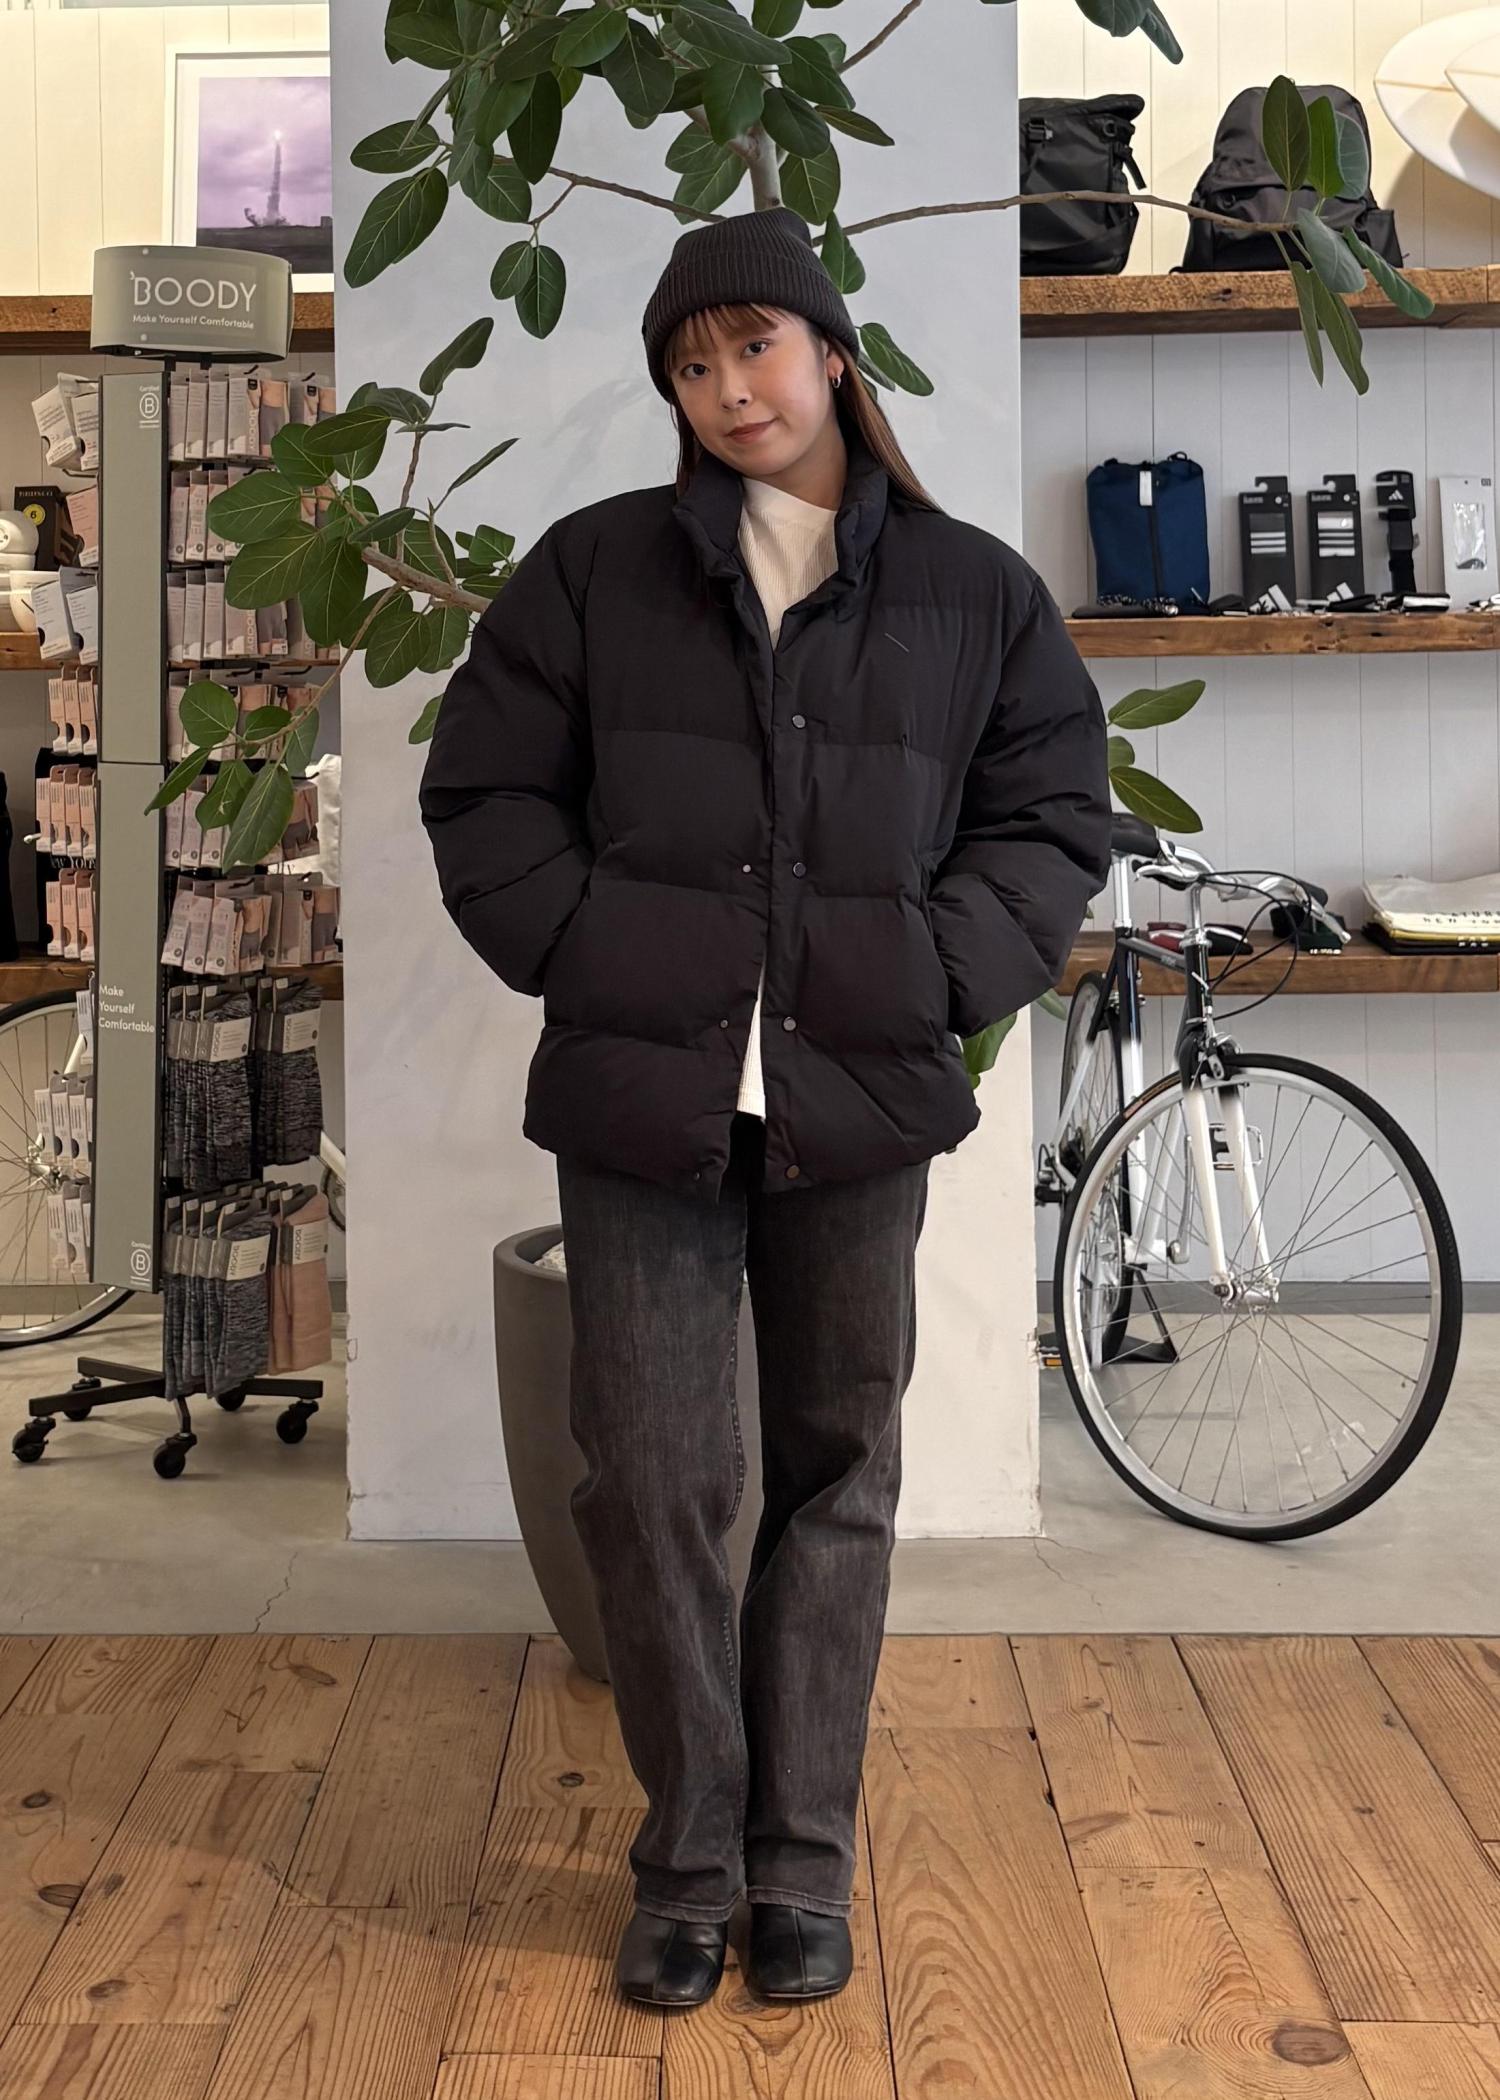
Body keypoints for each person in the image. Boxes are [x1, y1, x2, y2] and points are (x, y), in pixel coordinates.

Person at [418, 206, 1112, 2010]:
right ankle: (690, 1860)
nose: (729, 387)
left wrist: (934, 974)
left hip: (857, 1094)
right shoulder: (594, 573)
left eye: (756, 346)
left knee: (835, 1469)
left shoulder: (972, 594)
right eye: (692, 363)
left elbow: (1052, 816)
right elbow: (483, 791)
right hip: (645, 1095)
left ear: (828, 354)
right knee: (649, 1481)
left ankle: (803, 1864)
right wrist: (592, 948)